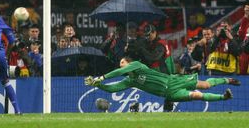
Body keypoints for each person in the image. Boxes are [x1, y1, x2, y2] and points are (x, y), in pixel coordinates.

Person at [85, 56, 240, 105]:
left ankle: (227, 80)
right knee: (197, 96)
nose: (122, 66)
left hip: (173, 81)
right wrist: (99, 84)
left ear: (129, 63)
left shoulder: (137, 65)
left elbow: (121, 71)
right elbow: (113, 88)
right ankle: (224, 97)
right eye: (121, 64)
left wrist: (103, 76)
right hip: (170, 93)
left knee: (205, 85)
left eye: (123, 63)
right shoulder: (129, 81)